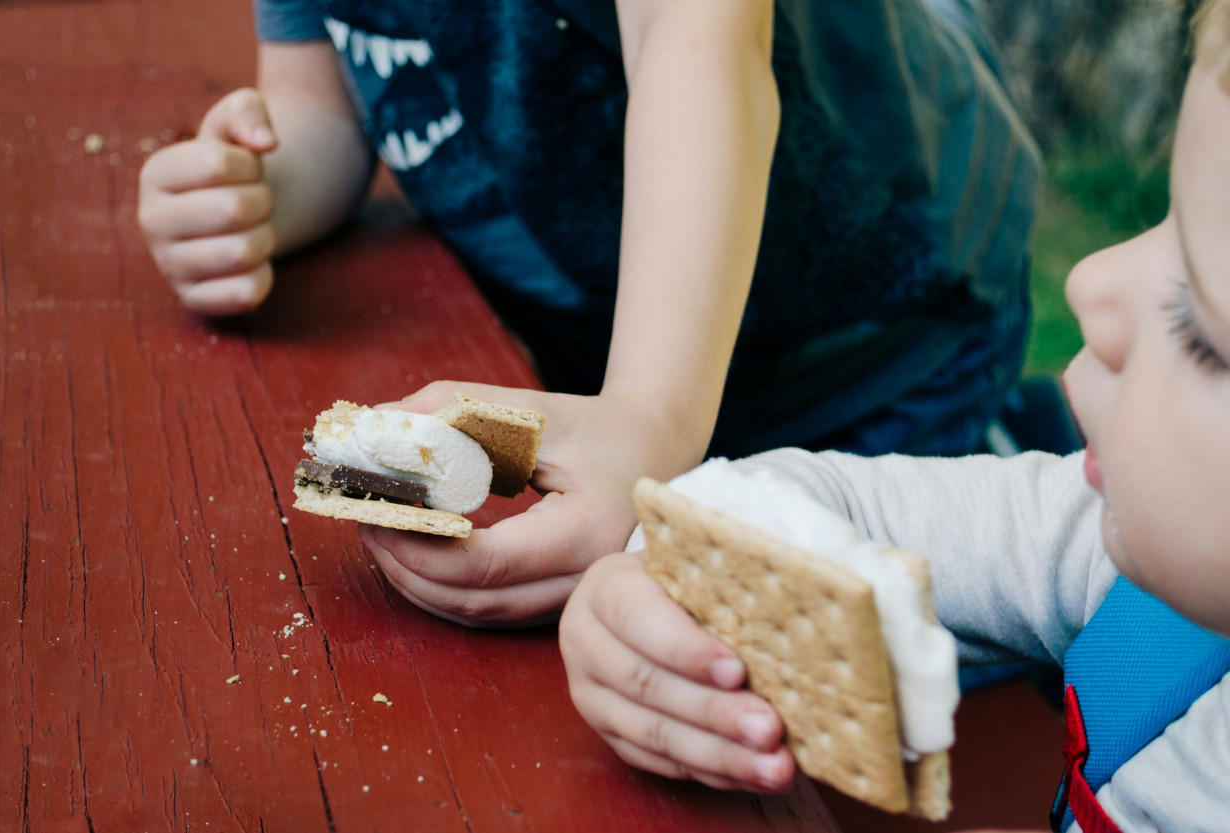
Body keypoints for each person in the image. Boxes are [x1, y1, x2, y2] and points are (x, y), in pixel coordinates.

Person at [137, 0, 1040, 625]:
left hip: (875, 338)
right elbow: (320, 104)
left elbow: (697, 49)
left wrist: (648, 418)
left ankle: (1025, 453)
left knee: (855, 660)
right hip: (616, 353)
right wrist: (257, 193)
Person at [558, 3, 1230, 827]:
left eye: (1202, 328)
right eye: (1162, 220)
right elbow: (818, 510)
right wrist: (658, 587)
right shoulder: (1108, 547)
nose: (1091, 281)